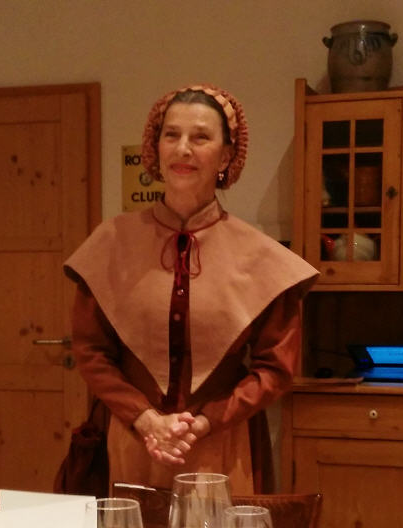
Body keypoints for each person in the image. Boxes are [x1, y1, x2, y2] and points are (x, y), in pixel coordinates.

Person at [64, 84, 318, 495]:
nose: (183, 149)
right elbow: (91, 351)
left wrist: (204, 422)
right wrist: (145, 418)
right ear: (155, 148)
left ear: (226, 155)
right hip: (131, 440)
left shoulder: (261, 257)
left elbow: (275, 368)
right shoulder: (111, 241)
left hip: (222, 444)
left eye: (200, 137)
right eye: (171, 135)